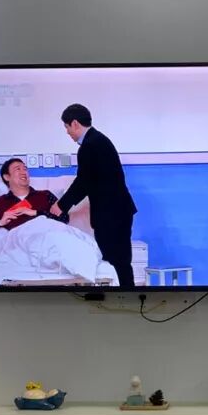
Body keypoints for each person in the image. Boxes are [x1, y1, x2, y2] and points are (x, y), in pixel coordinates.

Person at [51, 104, 138, 288]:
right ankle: (126, 296)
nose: (67, 132)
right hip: (117, 212)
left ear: (75, 123)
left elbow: (83, 182)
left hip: (111, 215)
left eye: (66, 127)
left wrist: (61, 205)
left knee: (116, 263)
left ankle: (125, 297)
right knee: (120, 263)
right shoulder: (98, 140)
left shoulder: (90, 145)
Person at [0, 158, 68, 235]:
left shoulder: (45, 195)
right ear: (7, 177)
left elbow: (64, 218)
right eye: (18, 169)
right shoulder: (0, 203)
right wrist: (0, 222)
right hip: (21, 245)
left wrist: (36, 213)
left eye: (25, 169)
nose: (23, 172)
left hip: (48, 238)